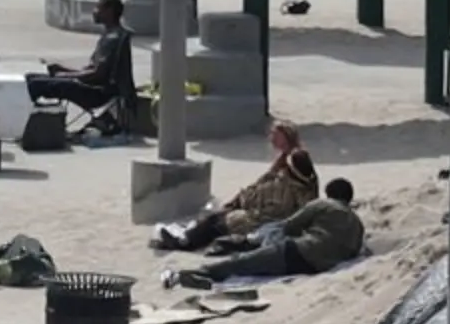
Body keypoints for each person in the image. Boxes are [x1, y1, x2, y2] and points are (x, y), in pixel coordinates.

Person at [162, 180, 365, 289]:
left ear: (330, 194)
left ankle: (195, 273)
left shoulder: (323, 205)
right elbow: (352, 252)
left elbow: (290, 225)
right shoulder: (358, 225)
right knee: (253, 264)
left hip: (298, 250)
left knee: (242, 262)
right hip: (315, 266)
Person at [152, 122, 319, 252]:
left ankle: (185, 242)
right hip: (272, 214)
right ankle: (187, 237)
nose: (271, 138)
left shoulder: (287, 175)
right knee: (217, 218)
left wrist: (241, 201)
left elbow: (268, 198)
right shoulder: (295, 165)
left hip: (268, 218)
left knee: (218, 222)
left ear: (286, 138)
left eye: (276, 135)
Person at [26, 0, 133, 119]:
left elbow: (97, 75)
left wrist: (65, 75)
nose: (94, 12)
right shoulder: (112, 34)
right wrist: (64, 70)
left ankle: (26, 121)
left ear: (109, 11)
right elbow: (93, 71)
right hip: (93, 86)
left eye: (98, 8)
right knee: (30, 77)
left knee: (35, 84)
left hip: (97, 93)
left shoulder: (112, 39)